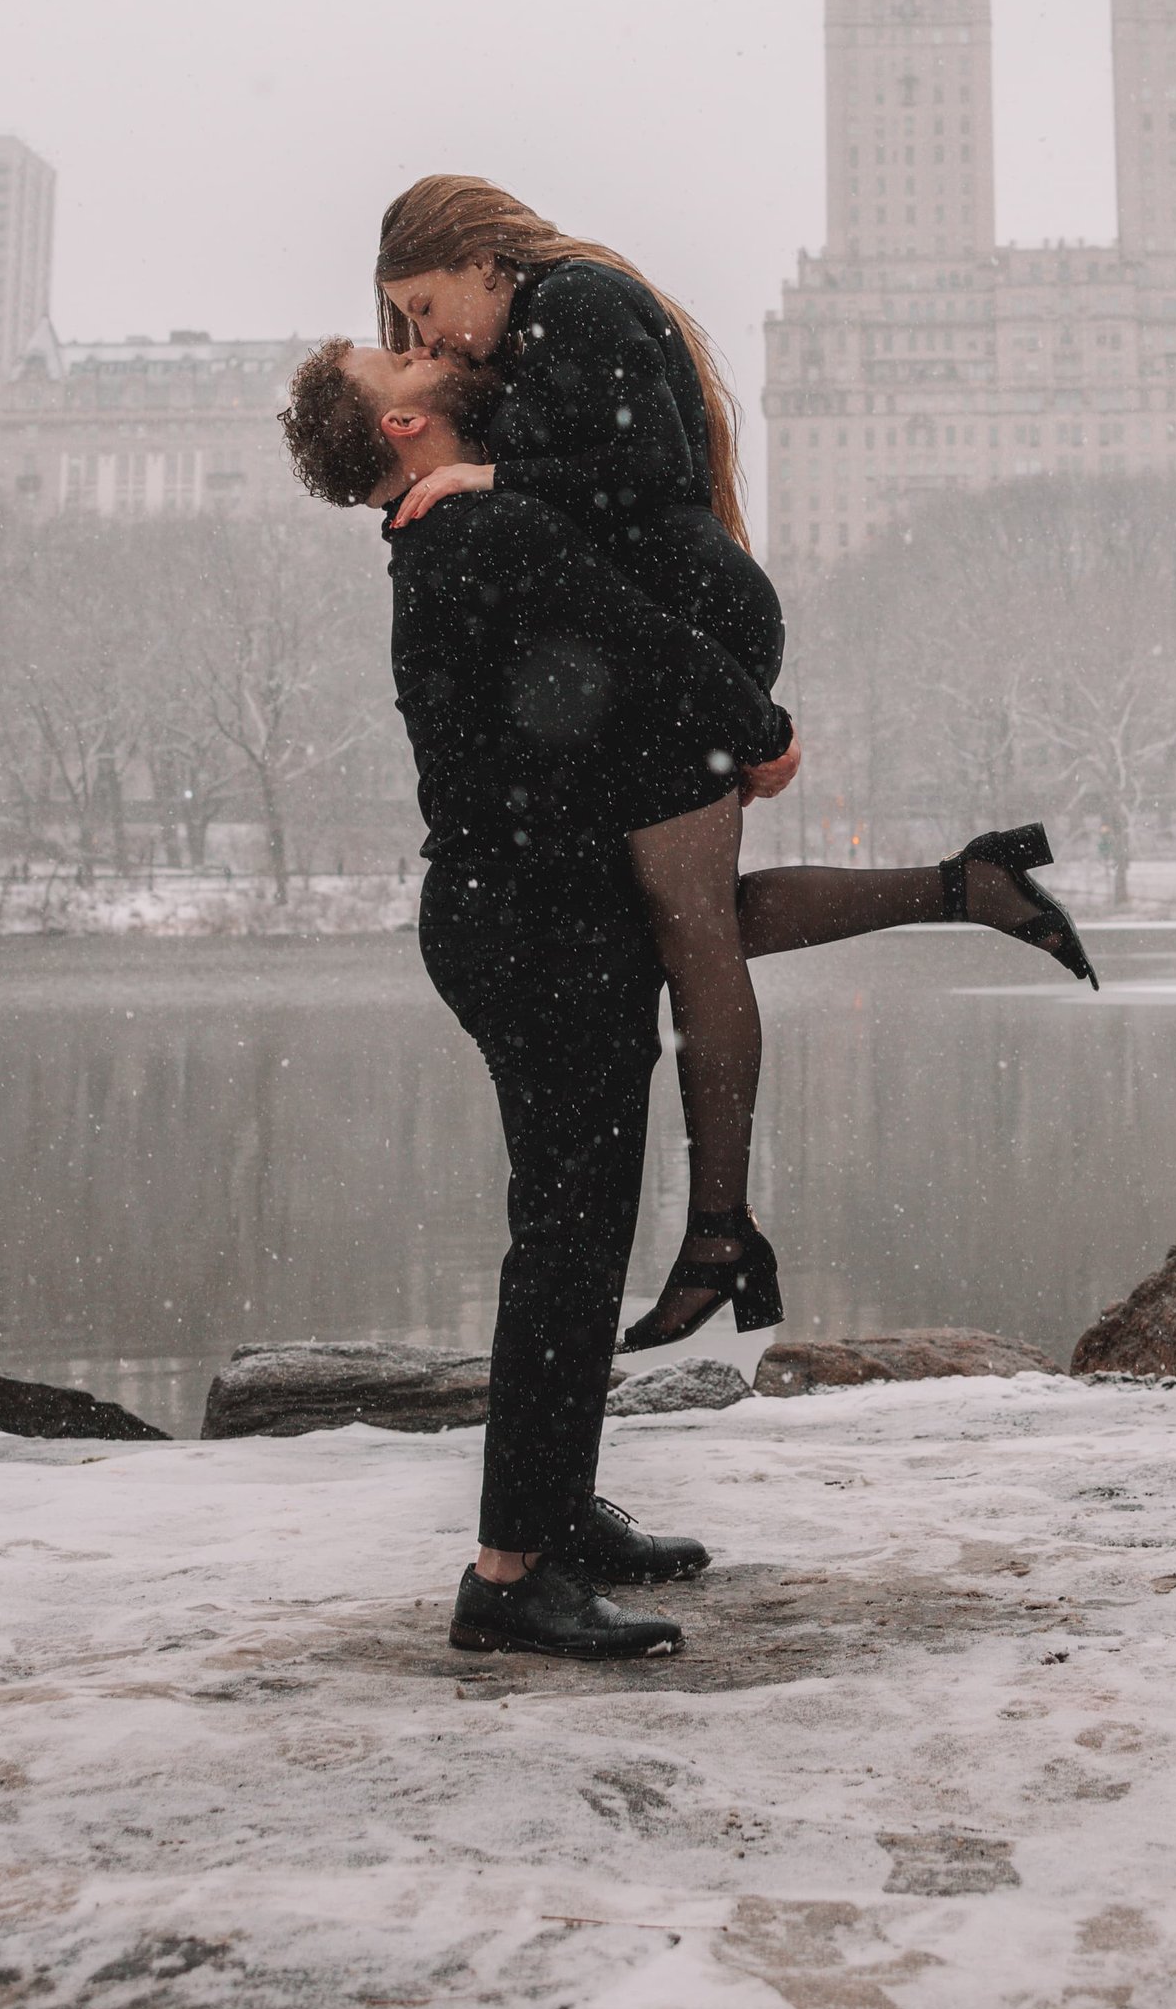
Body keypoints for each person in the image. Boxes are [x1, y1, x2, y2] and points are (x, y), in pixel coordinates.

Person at [282, 328, 1091, 1665]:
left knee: (580, 1228)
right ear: (404, 432)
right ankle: (510, 1575)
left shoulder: (456, 527)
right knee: (566, 1235)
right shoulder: (485, 535)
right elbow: (638, 635)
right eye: (396, 362)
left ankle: (556, 1510)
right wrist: (761, 730)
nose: (420, 351)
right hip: (531, 923)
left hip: (527, 912)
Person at [367, 174, 1094, 1345]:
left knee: (688, 927)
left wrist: (496, 476)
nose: (428, 333)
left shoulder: (577, 300)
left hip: (689, 629)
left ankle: (720, 1234)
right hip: (666, 634)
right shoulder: (548, 317)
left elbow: (644, 474)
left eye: (424, 301)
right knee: (670, 917)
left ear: (478, 257)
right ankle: (967, 887)